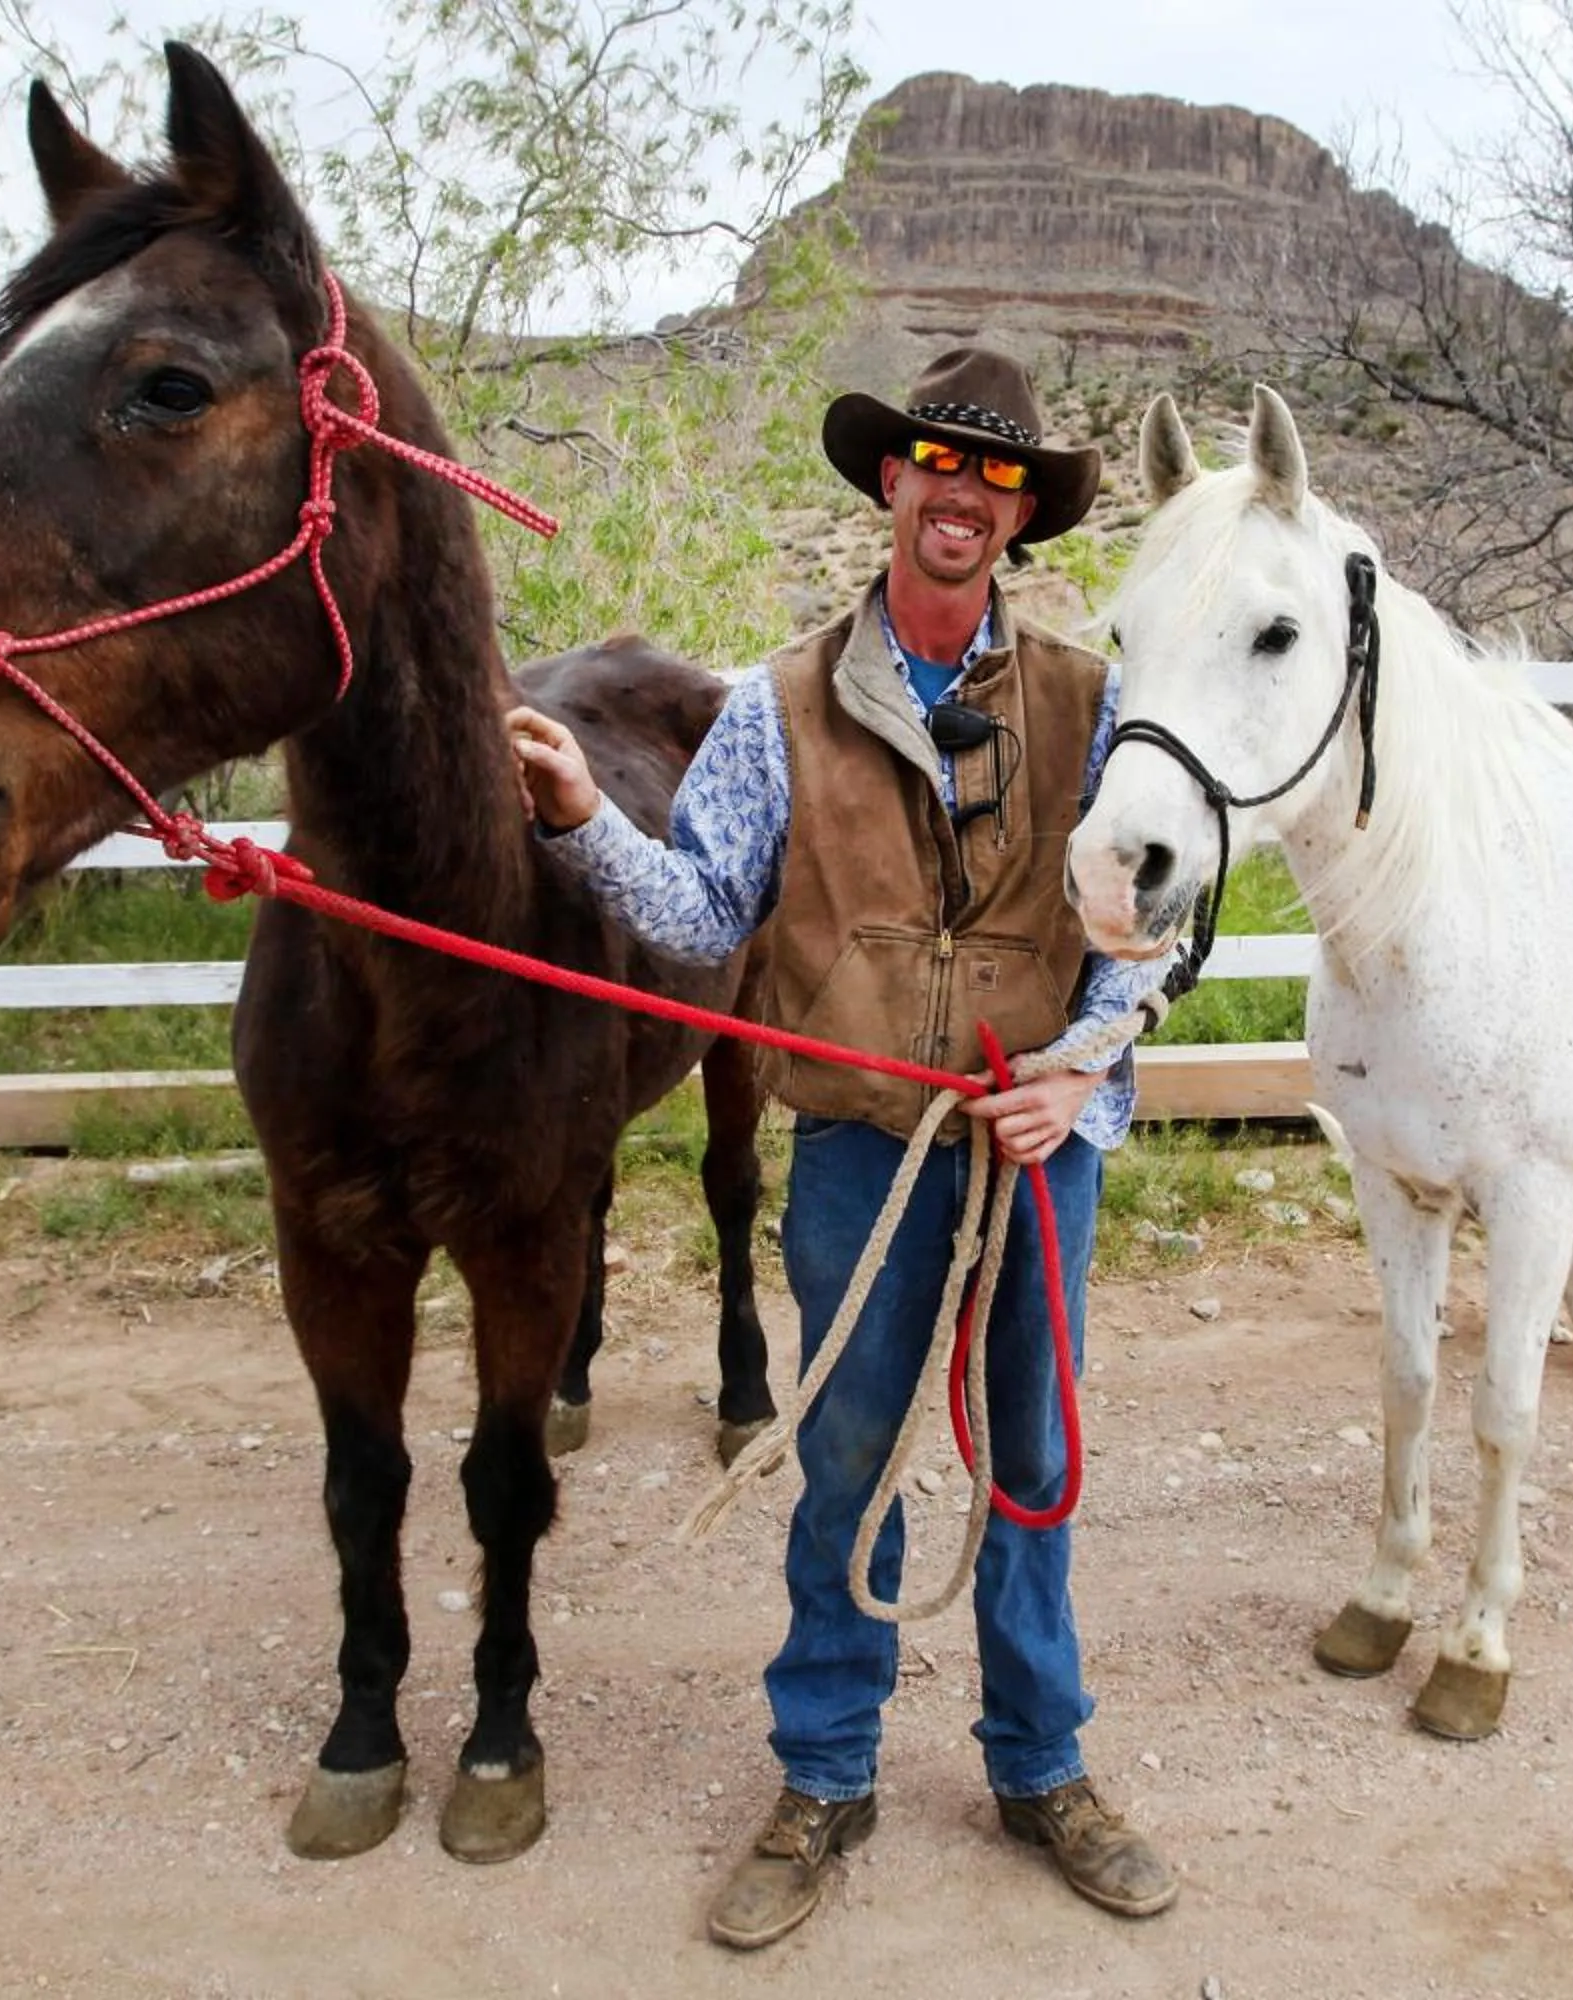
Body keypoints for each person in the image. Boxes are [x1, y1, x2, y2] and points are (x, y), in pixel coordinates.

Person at [505, 348, 1176, 1949]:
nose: (963, 494)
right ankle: (824, 1773)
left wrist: (1082, 1073)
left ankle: (1043, 1765)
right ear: (893, 483)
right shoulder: (775, 708)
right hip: (868, 1149)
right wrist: (585, 817)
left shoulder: (1095, 706)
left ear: (1018, 515)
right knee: (847, 1467)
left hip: (1036, 1144)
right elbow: (699, 914)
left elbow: (1156, 929)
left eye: (996, 476)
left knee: (1034, 1466)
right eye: (939, 463)